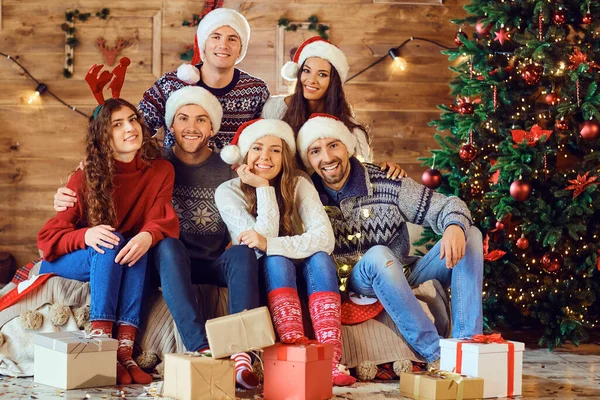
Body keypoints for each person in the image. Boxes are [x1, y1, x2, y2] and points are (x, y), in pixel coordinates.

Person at [52, 86, 263, 390]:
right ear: (170, 126)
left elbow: (249, 219)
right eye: (183, 118)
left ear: (213, 127)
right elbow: (110, 166)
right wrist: (77, 179)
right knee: (163, 243)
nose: (192, 127)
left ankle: (242, 354)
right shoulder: (154, 159)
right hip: (170, 260)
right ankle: (199, 346)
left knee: (242, 253)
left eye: (202, 120)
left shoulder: (225, 168)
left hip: (213, 260)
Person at [295, 113, 484, 368]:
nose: (327, 158)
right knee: (379, 255)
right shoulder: (305, 194)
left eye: (333, 145)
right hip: (356, 281)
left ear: (347, 147)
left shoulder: (386, 181)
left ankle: (468, 343)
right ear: (308, 159)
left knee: (470, 234)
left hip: (405, 271)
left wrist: (453, 224)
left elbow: (446, 205)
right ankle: (435, 352)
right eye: (315, 151)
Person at [37, 95, 180, 385]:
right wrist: (86, 235)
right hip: (72, 259)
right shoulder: (85, 175)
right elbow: (48, 238)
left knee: (135, 245)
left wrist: (146, 236)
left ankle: (124, 352)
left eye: (133, 119)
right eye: (117, 124)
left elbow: (159, 216)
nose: (130, 128)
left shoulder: (161, 170)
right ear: (104, 137)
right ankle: (101, 342)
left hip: (117, 255)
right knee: (113, 241)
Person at [215, 118, 356, 386]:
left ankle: (331, 360)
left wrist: (271, 244)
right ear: (244, 154)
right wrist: (264, 188)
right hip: (264, 271)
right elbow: (257, 247)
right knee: (277, 260)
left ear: (285, 156)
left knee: (322, 259)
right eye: (257, 148)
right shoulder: (227, 192)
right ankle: (294, 344)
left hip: (307, 267)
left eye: (275, 150)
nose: (265, 156)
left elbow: (324, 238)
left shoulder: (298, 182)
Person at [261, 36, 405, 178]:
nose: (311, 80)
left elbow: (362, 175)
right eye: (306, 70)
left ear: (333, 82)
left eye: (322, 74)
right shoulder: (273, 109)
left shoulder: (351, 129)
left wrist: (384, 170)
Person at [139, 8, 270, 150]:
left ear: (241, 49)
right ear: (204, 44)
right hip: (175, 171)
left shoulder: (256, 91)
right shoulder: (171, 84)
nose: (223, 45)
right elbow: (138, 128)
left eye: (232, 39)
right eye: (216, 37)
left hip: (233, 172)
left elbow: (265, 139)